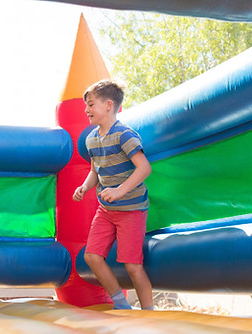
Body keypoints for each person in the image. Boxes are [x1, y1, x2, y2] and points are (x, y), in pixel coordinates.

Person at [72, 79, 154, 310]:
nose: (86, 109)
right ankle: (120, 303)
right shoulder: (91, 139)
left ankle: (149, 314)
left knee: (132, 266)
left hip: (131, 210)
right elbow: (95, 171)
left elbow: (144, 168)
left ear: (108, 105)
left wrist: (119, 191)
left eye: (90, 104)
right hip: (106, 210)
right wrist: (85, 187)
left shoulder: (124, 135)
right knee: (92, 257)